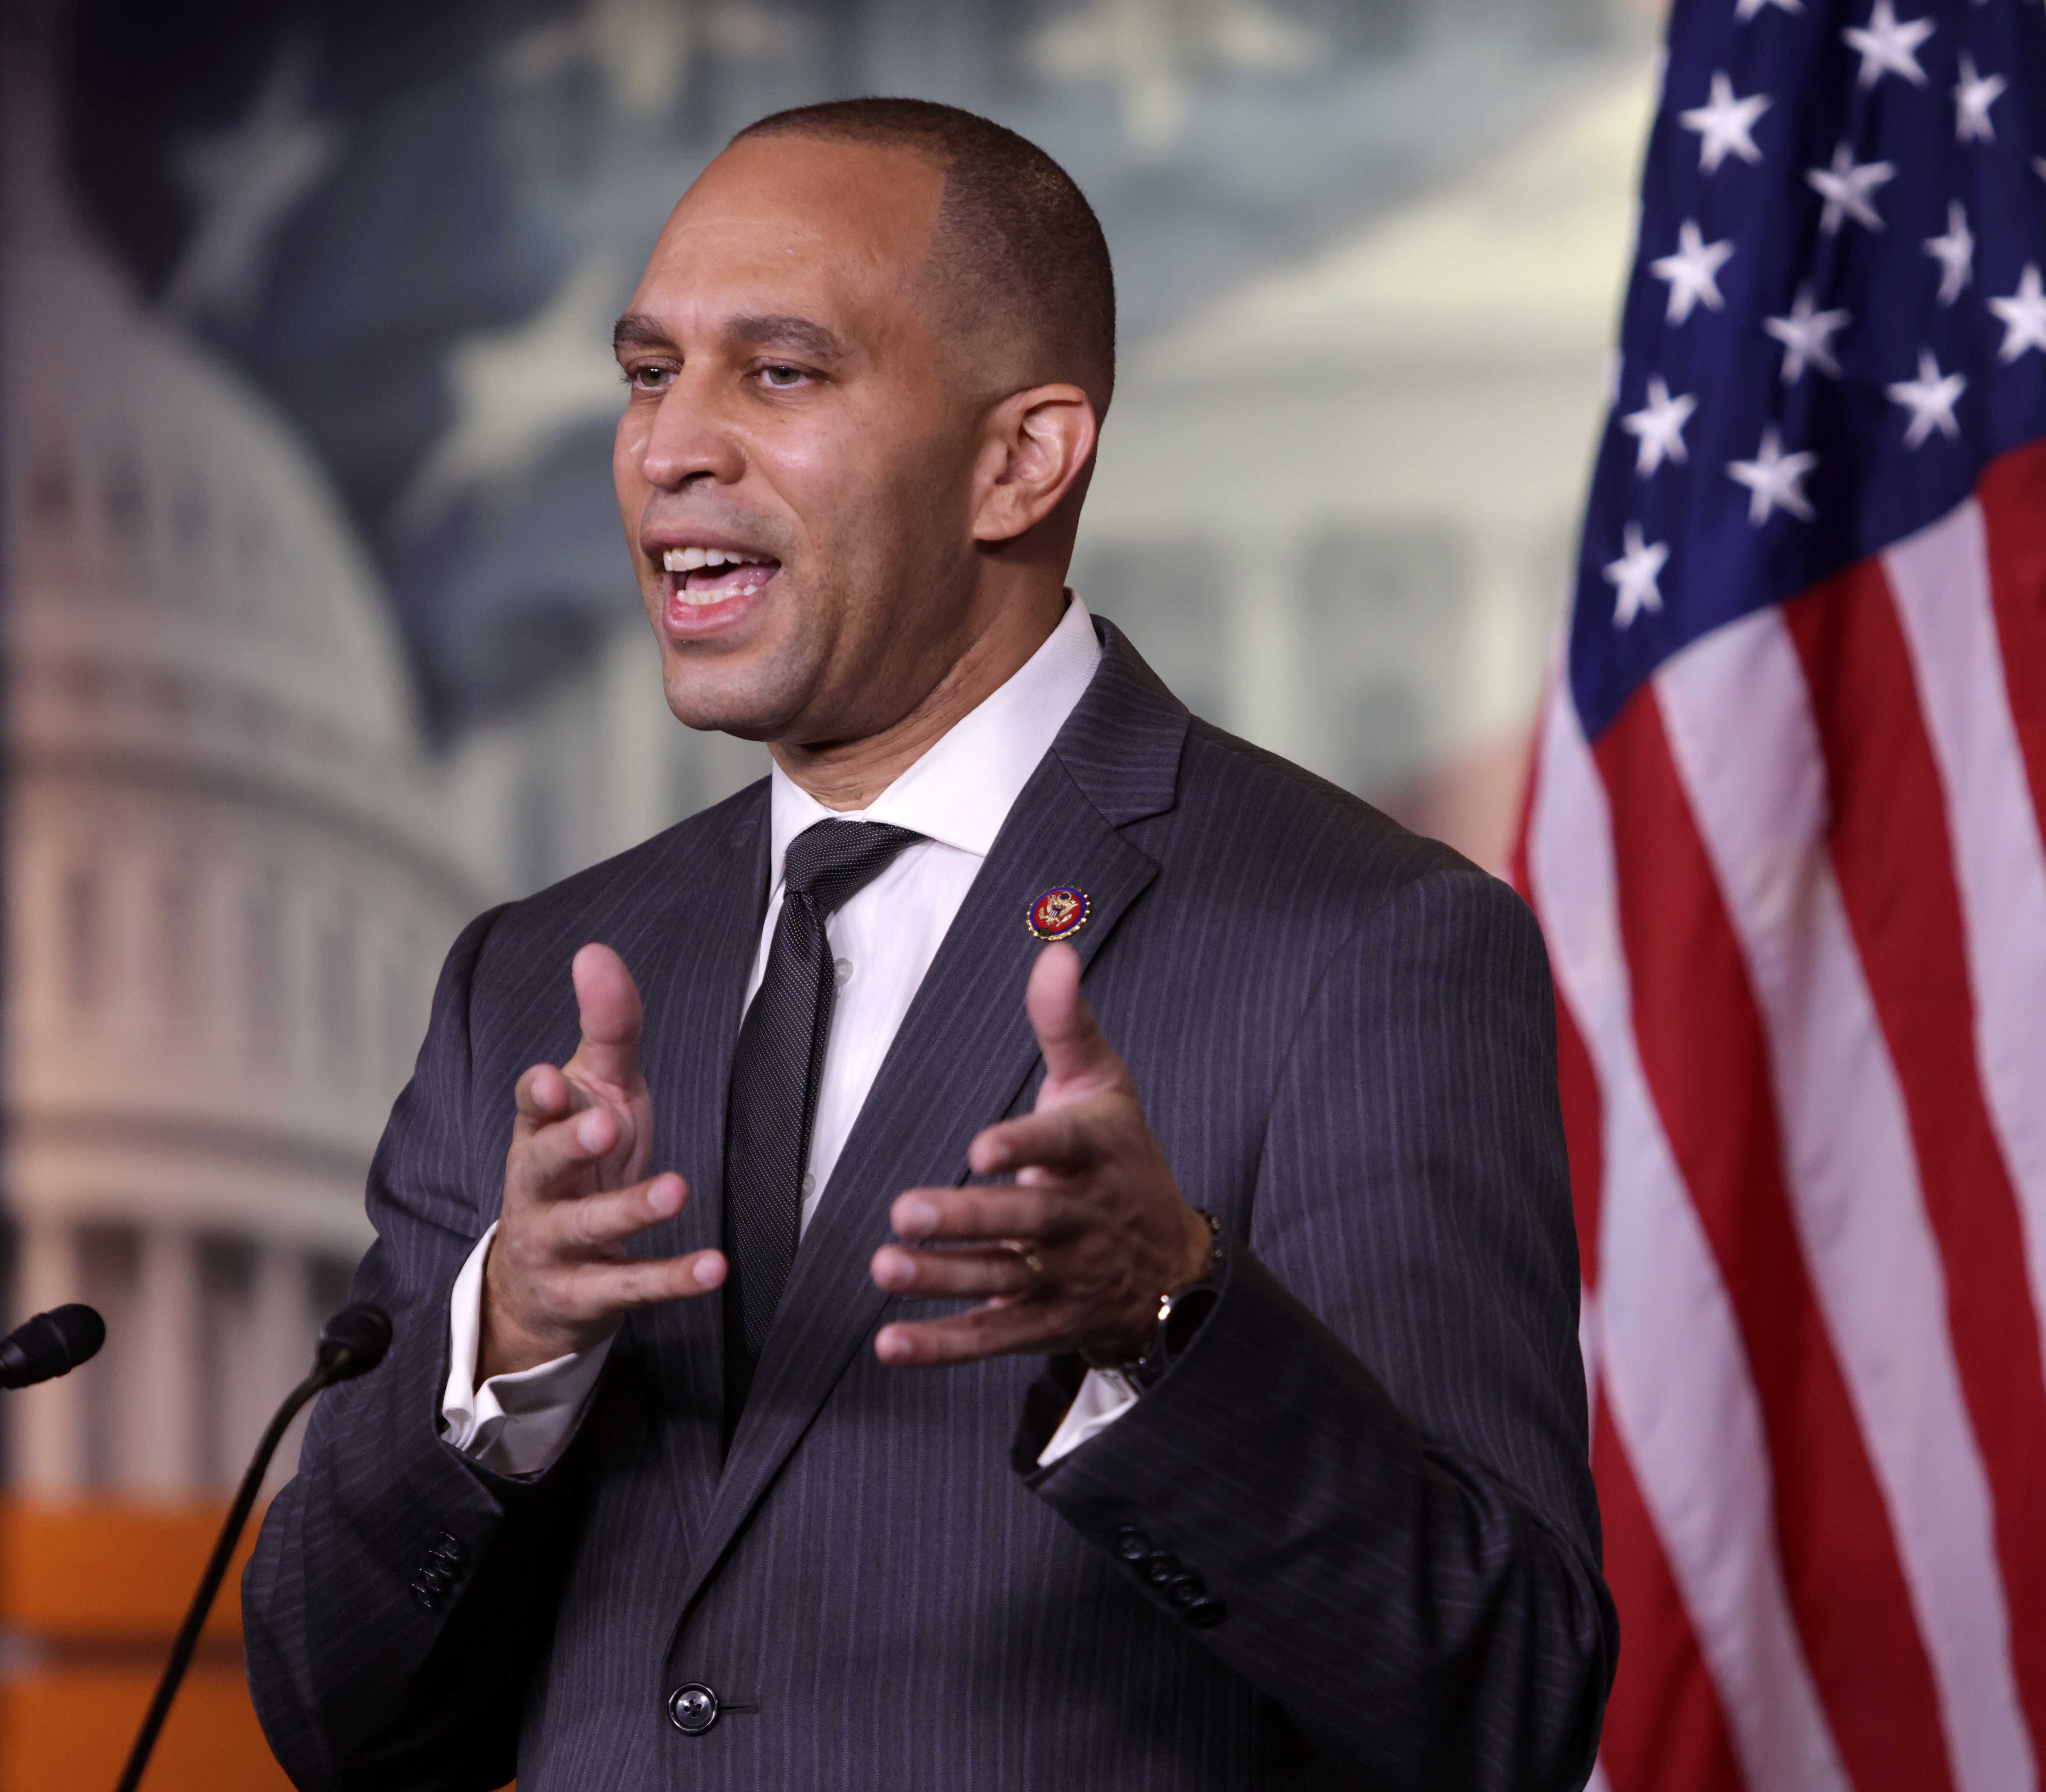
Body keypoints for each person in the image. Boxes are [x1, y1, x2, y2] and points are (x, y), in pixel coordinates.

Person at [240, 98, 1611, 1790]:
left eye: (782, 372)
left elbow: (1507, 1702)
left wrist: (1170, 1320)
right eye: (650, 368)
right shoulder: (536, 976)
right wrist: (508, 1353)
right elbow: (333, 1716)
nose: (671, 445)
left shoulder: (1362, 941)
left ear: (1020, 459)